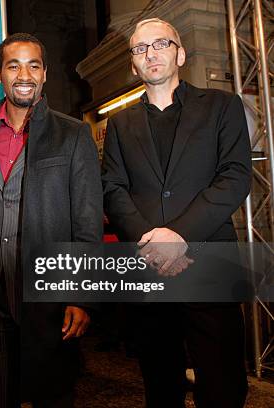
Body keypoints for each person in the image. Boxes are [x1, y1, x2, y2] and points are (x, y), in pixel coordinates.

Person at [102, 18, 250, 408]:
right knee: (159, 380)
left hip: (210, 262)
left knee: (222, 381)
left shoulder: (222, 106)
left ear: (180, 53)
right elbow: (112, 188)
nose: (151, 53)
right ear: (133, 64)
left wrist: (178, 235)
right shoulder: (119, 124)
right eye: (140, 48)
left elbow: (235, 177)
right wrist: (152, 242)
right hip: (149, 266)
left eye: (161, 44)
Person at [0, 33, 103, 407]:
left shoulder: (73, 134)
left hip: (50, 300)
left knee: (53, 396)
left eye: (33, 65)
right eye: (13, 65)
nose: (24, 74)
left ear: (45, 75)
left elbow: (87, 222)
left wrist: (82, 296)